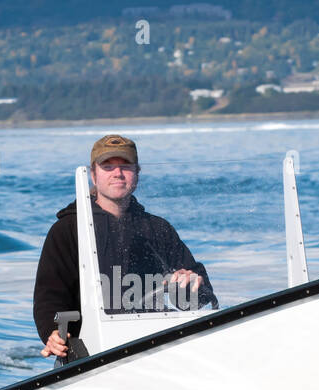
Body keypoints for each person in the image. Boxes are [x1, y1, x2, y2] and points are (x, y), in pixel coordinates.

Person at [34, 134, 217, 359]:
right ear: (93, 174)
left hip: (155, 347)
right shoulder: (68, 228)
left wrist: (191, 285)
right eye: (108, 166)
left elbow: (201, 300)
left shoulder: (158, 229)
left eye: (126, 166)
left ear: (137, 173)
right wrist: (51, 334)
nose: (117, 174)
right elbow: (49, 295)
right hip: (89, 352)